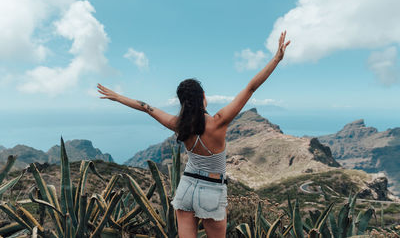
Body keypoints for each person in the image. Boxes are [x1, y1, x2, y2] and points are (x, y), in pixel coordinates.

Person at [97, 31, 290, 238]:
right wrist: (276, 59)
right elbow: (251, 87)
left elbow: (146, 107)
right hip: (212, 191)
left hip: (186, 188)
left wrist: (117, 97)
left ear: (182, 102)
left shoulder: (178, 125)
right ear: (203, 98)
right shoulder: (219, 122)